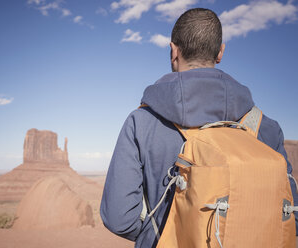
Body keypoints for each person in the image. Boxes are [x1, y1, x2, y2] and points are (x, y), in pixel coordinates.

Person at [100, 8, 298, 248]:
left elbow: (119, 218)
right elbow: (290, 213)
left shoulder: (141, 122)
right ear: (220, 52)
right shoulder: (266, 128)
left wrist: (163, 234)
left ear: (173, 51)